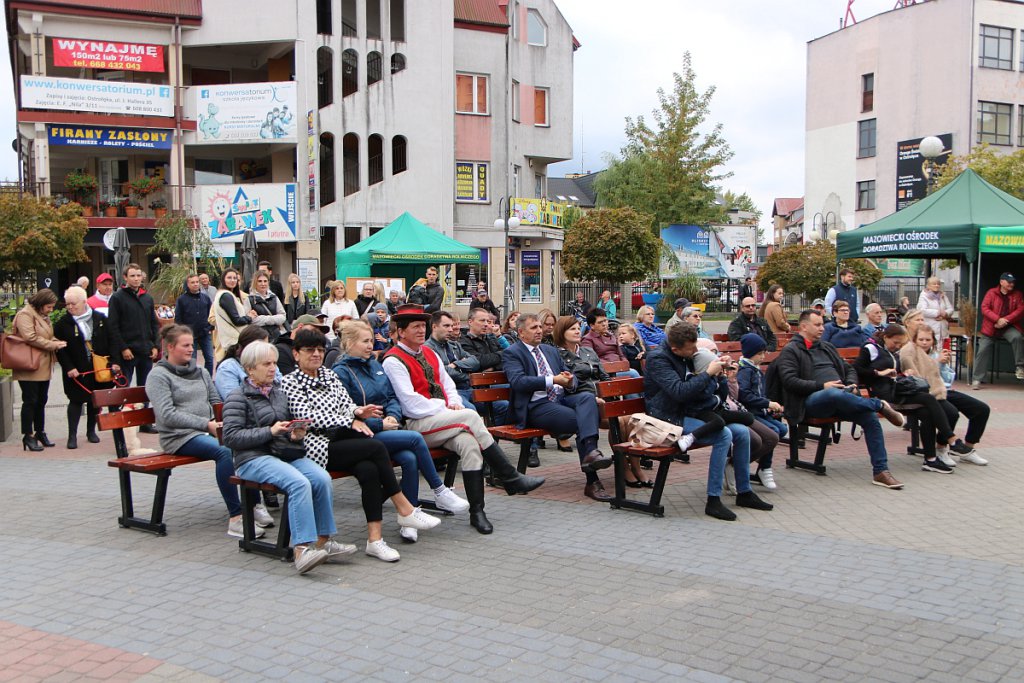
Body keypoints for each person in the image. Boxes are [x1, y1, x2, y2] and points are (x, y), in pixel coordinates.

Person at [282, 328, 442, 561]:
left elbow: (346, 404)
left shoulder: (328, 375)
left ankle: (375, 540)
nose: (316, 354)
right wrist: (351, 420)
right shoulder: (291, 382)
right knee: (376, 447)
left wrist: (359, 411)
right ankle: (405, 508)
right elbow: (308, 418)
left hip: (343, 438)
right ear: (296, 354)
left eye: (320, 349)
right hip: (316, 446)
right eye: (309, 350)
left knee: (369, 470)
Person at [382, 304, 544, 535]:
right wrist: (447, 408)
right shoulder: (393, 360)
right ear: (400, 331)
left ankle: (477, 512)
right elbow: (411, 404)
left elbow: (447, 383)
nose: (421, 331)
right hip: (416, 426)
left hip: (441, 421)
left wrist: (454, 401)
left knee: (470, 445)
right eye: (415, 327)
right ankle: (509, 476)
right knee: (469, 416)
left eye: (422, 326)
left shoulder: (430, 353)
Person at [222, 340, 354, 574]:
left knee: (321, 477)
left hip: (281, 453)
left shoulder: (278, 392)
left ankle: (324, 541)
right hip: (251, 459)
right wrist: (269, 431)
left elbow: (286, 430)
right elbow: (231, 438)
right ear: (250, 369)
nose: (273, 368)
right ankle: (301, 550)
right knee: (299, 483)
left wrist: (296, 434)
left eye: (274, 363)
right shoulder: (238, 397)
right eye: (266, 364)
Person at [333, 320, 470, 542]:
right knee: (414, 439)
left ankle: (408, 518)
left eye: (371, 340)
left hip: (385, 429)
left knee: (408, 458)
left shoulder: (375, 365)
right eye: (365, 341)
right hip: (361, 435)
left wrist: (393, 416)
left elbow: (391, 397)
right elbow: (345, 413)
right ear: (349, 343)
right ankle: (439, 490)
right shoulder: (341, 372)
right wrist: (380, 424)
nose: (370, 346)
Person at [146, 325, 268, 538]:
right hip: (179, 437)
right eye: (185, 345)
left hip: (209, 430)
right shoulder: (158, 375)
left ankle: (254, 505)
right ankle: (236, 518)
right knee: (224, 452)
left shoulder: (200, 372)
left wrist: (228, 422)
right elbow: (167, 415)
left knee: (247, 443)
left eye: (191, 344)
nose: (191, 349)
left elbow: (216, 402)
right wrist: (206, 424)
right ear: (170, 347)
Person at [644, 322, 773, 520]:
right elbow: (679, 392)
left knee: (741, 431)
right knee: (723, 435)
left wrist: (721, 375)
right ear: (675, 348)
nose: (696, 351)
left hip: (692, 410)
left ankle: (744, 492)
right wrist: (708, 373)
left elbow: (708, 391)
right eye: (691, 348)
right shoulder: (658, 359)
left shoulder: (686, 354)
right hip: (668, 416)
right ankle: (713, 500)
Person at [772, 310, 906, 489]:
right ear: (804, 327)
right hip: (810, 402)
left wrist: (851, 384)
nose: (822, 328)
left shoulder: (826, 347)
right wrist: (822, 386)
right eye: (818, 325)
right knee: (833, 394)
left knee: (869, 417)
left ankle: (881, 471)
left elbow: (849, 369)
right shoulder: (792, 350)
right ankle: (878, 405)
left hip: (842, 397)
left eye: (822, 324)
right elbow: (790, 381)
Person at [504, 314, 612, 497]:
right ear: (521, 332)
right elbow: (518, 382)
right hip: (536, 406)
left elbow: (571, 376)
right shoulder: (513, 352)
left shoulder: (549, 350)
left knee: (587, 398)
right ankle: (592, 480)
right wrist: (552, 380)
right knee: (582, 421)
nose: (539, 331)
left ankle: (591, 451)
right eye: (534, 328)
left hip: (561, 399)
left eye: (540, 326)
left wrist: (569, 381)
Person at [854, 324, 972, 472]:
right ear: (885, 337)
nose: (897, 346)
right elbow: (857, 369)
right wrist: (879, 373)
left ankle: (930, 460)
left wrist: (904, 373)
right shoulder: (870, 348)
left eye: (900, 343)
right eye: (895, 342)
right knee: (928, 399)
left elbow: (895, 372)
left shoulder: (891, 352)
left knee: (927, 412)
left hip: (897, 389)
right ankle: (952, 440)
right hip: (885, 395)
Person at [900, 324, 990, 465]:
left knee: (981, 409)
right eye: (921, 339)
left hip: (944, 390)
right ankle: (941, 449)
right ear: (915, 340)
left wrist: (942, 364)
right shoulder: (911, 353)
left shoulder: (936, 353)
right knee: (951, 413)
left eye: (928, 340)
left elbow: (948, 378)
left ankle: (968, 449)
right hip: (928, 393)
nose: (924, 343)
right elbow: (918, 380)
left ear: (933, 341)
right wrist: (936, 363)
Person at [553, 315, 621, 497]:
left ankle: (621, 469)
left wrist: (607, 396)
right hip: (571, 400)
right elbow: (564, 385)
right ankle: (592, 474)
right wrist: (593, 398)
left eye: (578, 328)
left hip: (595, 400)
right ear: (561, 332)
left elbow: (604, 377)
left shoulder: (587, 352)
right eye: (572, 329)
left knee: (627, 420)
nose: (577, 331)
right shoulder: (556, 355)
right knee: (587, 406)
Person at [55, 286, 116, 449]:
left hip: (98, 367)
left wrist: (114, 362)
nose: (70, 307)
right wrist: (69, 368)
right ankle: (72, 435)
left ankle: (91, 431)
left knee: (94, 401)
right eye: (67, 304)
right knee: (75, 401)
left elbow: (112, 340)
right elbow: (60, 350)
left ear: (84, 302)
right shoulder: (62, 324)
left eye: (73, 304)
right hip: (76, 369)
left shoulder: (100, 318)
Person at [12, 289, 67, 451]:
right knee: (30, 401)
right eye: (49, 307)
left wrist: (57, 341)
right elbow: (30, 337)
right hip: (29, 364)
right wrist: (53, 345)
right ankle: (27, 435)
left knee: (42, 400)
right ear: (41, 304)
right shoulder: (25, 315)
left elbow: (48, 335)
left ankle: (39, 432)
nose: (51, 310)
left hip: (42, 365)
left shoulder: (42, 315)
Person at [107, 263, 160, 422]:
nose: (136, 279)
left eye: (138, 275)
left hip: (145, 350)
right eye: (132, 276)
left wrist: (155, 345)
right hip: (128, 351)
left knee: (145, 388)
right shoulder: (117, 297)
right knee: (124, 387)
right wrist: (123, 348)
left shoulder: (147, 298)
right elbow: (113, 326)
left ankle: (143, 420)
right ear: (125, 278)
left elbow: (154, 324)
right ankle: (119, 418)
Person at [736, 333, 787, 491]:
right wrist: (767, 403)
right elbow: (744, 395)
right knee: (772, 432)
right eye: (760, 354)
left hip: (761, 411)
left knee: (782, 429)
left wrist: (769, 407)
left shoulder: (756, 370)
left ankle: (763, 466)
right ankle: (763, 467)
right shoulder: (745, 371)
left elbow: (761, 393)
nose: (763, 356)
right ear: (751, 354)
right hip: (751, 413)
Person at [459, 308, 509, 424]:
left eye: (487, 321)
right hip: (479, 388)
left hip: (497, 381)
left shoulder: (490, 338)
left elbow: (508, 357)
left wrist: (492, 367)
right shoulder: (464, 341)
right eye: (482, 321)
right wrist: (498, 357)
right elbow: (478, 362)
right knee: (510, 401)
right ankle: (493, 432)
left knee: (525, 393)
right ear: (470, 322)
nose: (486, 324)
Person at [973, 272, 1024, 387]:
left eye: (1012, 282)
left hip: (1008, 326)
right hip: (991, 326)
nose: (1011, 284)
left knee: (1017, 337)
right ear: (1001, 282)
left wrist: (1005, 320)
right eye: (1009, 281)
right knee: (983, 350)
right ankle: (977, 379)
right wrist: (997, 319)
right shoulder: (991, 293)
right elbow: (984, 308)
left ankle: (1020, 366)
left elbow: (1020, 310)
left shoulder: (1017, 294)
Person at [425, 310, 481, 411]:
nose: (451, 329)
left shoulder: (454, 345)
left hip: (469, 389)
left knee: (502, 406)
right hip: (450, 393)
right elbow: (444, 372)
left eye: (451, 326)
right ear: (434, 327)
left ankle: (490, 427)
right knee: (470, 410)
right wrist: (467, 375)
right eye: (446, 326)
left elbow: (475, 362)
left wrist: (456, 364)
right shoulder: (428, 349)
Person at [215, 326, 277, 401]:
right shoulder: (227, 368)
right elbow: (233, 400)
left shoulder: (270, 362)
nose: (273, 368)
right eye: (261, 347)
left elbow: (280, 388)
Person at [175, 273, 214, 375]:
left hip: (205, 333)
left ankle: (208, 379)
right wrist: (182, 333)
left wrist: (210, 327)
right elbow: (178, 319)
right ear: (187, 284)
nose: (195, 284)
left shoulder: (205, 298)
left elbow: (212, 314)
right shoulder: (181, 300)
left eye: (197, 282)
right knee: (191, 360)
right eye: (192, 282)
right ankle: (193, 379)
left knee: (210, 358)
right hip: (189, 335)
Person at [211, 267, 250, 362]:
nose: (232, 280)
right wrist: (249, 317)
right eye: (229, 278)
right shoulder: (225, 296)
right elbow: (237, 320)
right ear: (223, 279)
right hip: (233, 341)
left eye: (235, 278)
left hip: (234, 340)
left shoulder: (230, 295)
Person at [246, 270, 287, 343]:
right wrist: (273, 319)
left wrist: (263, 318)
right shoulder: (250, 299)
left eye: (265, 281)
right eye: (260, 281)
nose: (263, 284)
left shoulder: (274, 297)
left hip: (275, 336)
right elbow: (249, 320)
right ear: (255, 282)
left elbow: (283, 316)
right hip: (258, 337)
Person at [917, 276, 954, 343]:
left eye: (938, 284)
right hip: (930, 328)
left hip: (943, 330)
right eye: (934, 284)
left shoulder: (943, 295)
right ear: (928, 285)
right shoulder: (924, 296)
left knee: (944, 350)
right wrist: (938, 313)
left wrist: (945, 314)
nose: (937, 285)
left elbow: (950, 309)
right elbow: (922, 310)